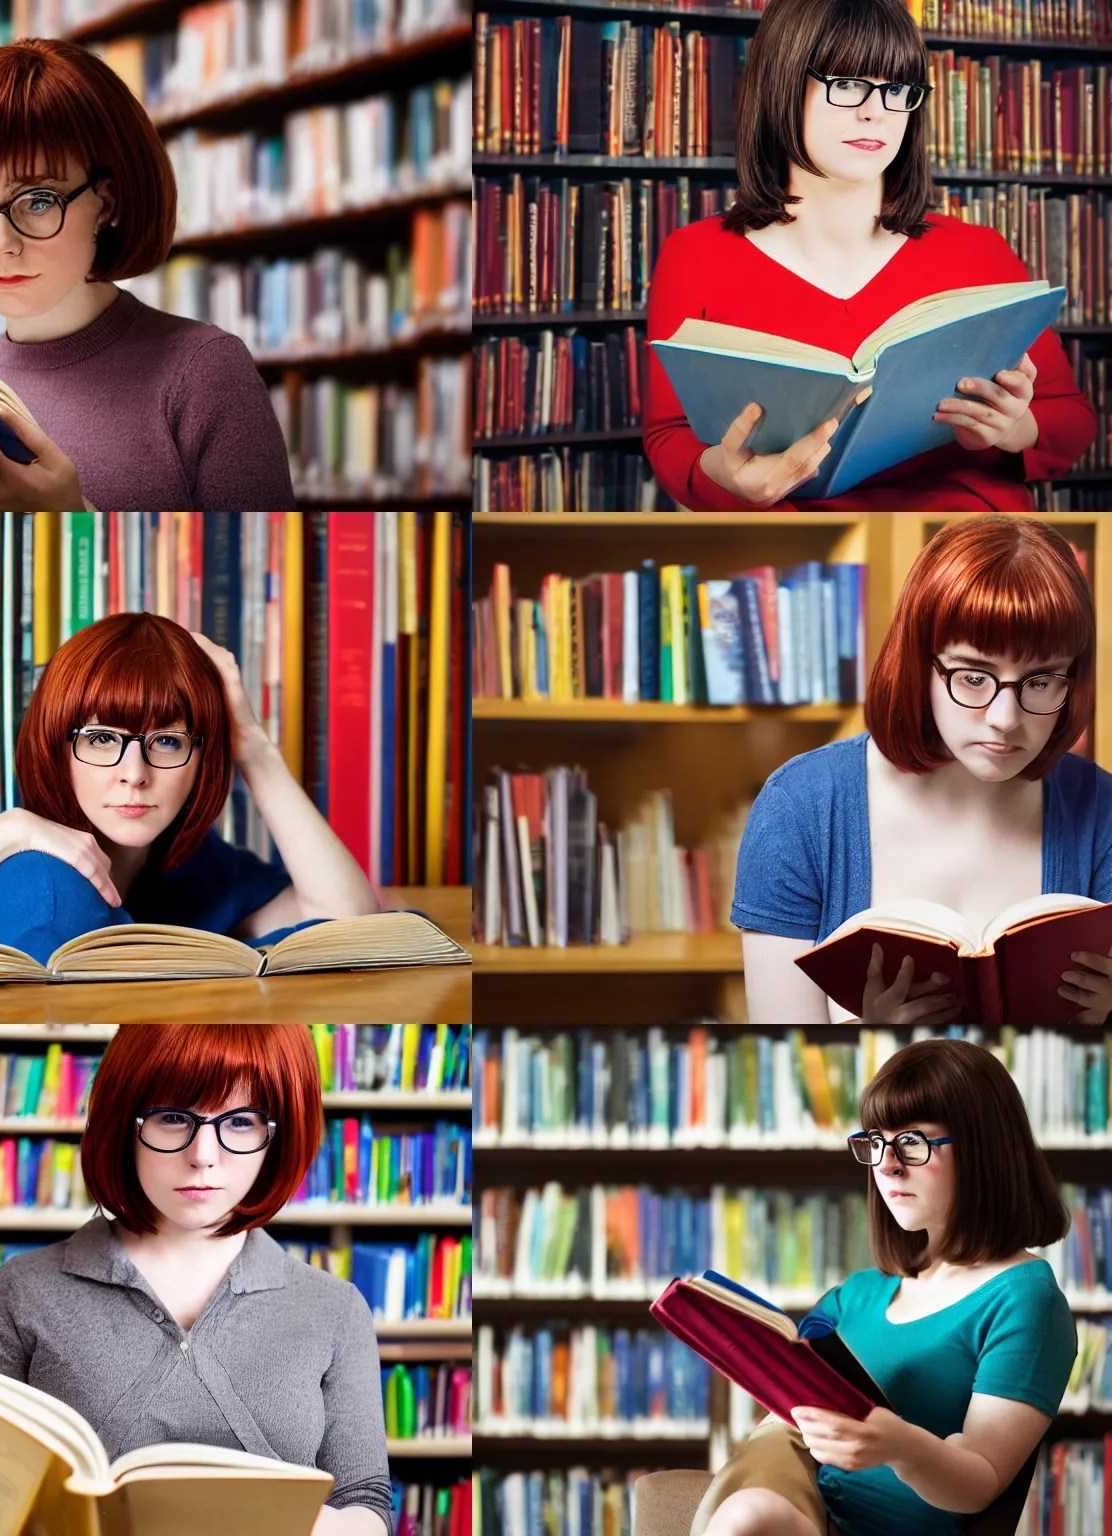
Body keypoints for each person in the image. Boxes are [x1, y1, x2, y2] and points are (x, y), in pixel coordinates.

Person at [0, 1024, 394, 1536]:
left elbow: (365, 1500)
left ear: (278, 1134)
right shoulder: (25, 1288)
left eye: (240, 1122)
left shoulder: (334, 1308)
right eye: (173, 1118)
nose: (203, 1157)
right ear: (126, 1125)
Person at [641, 0, 1096, 511]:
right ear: (781, 86)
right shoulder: (696, 256)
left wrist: (1014, 427)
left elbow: (1070, 419)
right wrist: (726, 477)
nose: (875, 112)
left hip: (967, 541)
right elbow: (670, 437)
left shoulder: (980, 253)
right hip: (797, 543)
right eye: (847, 83)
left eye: (896, 90)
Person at [0, 38, 297, 513]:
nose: (1, 244)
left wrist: (72, 524)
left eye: (37, 201)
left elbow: (262, 562)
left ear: (106, 203)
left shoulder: (205, 372)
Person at [0, 610, 379, 971]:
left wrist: (252, 745)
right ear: (57, 747)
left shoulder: (190, 866)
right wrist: (8, 830)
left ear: (203, 756)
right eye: (100, 739)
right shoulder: (40, 889)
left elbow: (350, 924)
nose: (134, 773)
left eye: (167, 741)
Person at [731, 515, 1112, 1023]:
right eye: (973, 676)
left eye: (1040, 682)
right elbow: (784, 1063)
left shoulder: (1101, 809)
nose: (1005, 719)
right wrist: (872, 1042)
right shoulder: (798, 810)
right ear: (918, 663)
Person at [690, 1039, 1075, 1536]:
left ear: (984, 1149)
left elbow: (983, 1480)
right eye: (876, 1142)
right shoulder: (854, 1295)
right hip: (799, 1505)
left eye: (912, 1142)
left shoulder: (1024, 1298)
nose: (887, 1165)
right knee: (758, 1492)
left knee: (751, 1515)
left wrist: (900, 1446)